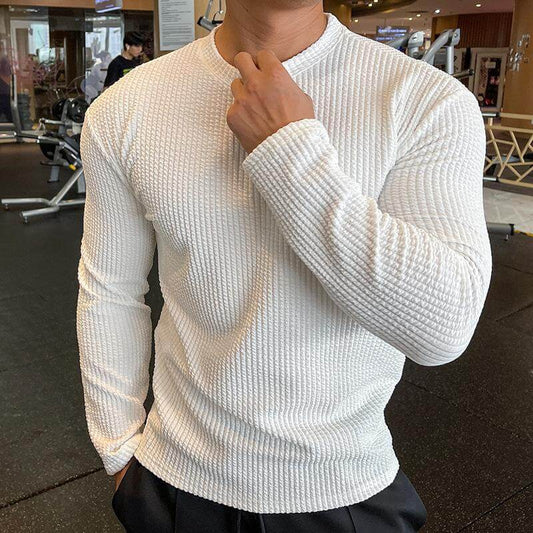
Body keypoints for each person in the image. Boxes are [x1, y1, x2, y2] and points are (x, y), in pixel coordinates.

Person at [77, 1, 492, 532]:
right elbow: (110, 291)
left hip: (347, 486)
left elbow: (443, 329)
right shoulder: (125, 107)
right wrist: (118, 451)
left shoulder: (425, 99)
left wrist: (287, 149)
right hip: (174, 482)